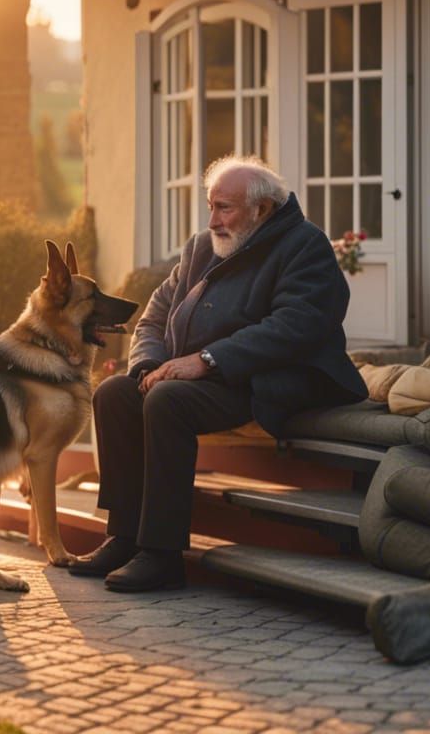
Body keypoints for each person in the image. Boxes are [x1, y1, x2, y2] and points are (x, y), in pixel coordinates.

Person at [68, 154, 367, 592]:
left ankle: (162, 554)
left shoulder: (305, 246)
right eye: (211, 206)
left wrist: (207, 360)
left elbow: (296, 326)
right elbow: (153, 318)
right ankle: (124, 536)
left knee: (166, 401)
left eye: (224, 207)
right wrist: (151, 366)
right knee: (116, 392)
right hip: (198, 379)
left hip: (263, 381)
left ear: (261, 210)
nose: (213, 219)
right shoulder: (201, 248)